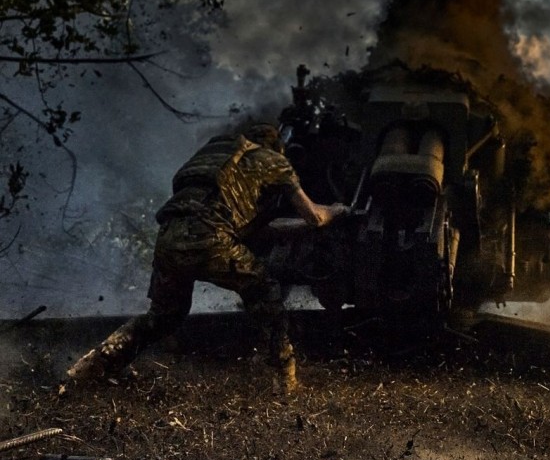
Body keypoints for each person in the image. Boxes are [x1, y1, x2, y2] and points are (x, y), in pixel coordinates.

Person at [63, 123, 347, 393]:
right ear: (274, 146)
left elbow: (244, 225)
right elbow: (315, 217)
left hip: (169, 235)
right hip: (211, 239)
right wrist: (338, 210)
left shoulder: (212, 160)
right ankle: (286, 382)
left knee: (162, 316)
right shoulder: (273, 161)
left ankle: (91, 368)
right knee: (264, 291)